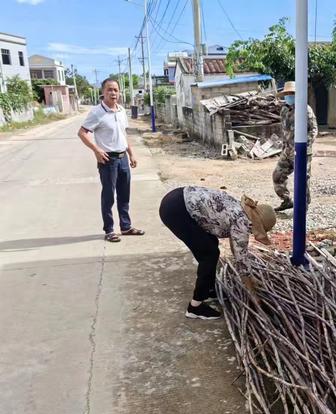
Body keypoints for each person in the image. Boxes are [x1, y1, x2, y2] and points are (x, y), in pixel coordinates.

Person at [159, 186, 276, 320]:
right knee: (210, 254)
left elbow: (236, 248)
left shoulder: (241, 210)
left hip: (176, 198)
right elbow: (241, 260)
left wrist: (251, 280)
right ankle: (195, 307)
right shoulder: (242, 222)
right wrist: (252, 293)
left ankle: (208, 289)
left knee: (210, 244)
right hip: (176, 211)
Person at [78, 78, 144, 242]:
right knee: (108, 196)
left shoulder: (121, 111)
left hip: (122, 159)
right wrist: (96, 150)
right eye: (109, 89)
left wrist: (131, 153)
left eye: (115, 90)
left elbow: (123, 134)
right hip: (108, 160)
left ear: (119, 92)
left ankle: (126, 227)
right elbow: (82, 133)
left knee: (124, 195)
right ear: (103, 92)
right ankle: (109, 230)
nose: (113, 93)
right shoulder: (97, 112)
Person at [273, 81, 318, 212]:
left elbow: (314, 129)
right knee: (277, 175)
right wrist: (284, 147)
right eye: (287, 94)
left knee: (302, 179)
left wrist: (305, 145)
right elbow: (284, 130)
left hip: (302, 151)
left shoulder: (305, 109)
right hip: (287, 151)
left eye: (292, 94)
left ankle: (303, 206)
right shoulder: (284, 110)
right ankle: (287, 201)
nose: (289, 96)